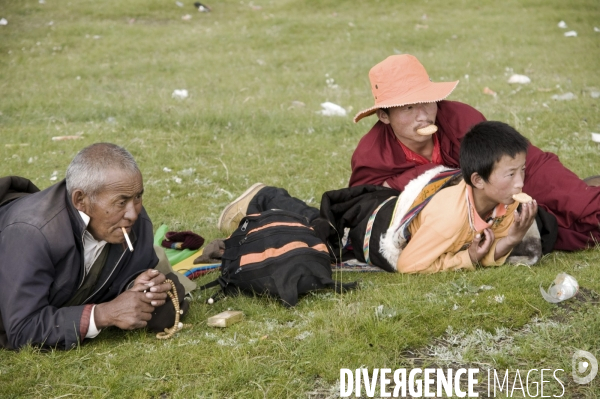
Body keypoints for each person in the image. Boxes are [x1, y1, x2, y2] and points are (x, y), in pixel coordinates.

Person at [349, 54, 600, 251]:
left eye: (427, 101)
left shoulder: (459, 117)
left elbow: (507, 156)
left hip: (502, 173)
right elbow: (366, 208)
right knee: (552, 225)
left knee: (576, 201)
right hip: (469, 210)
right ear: (384, 116)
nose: (423, 116)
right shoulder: (371, 154)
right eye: (408, 108)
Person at [218, 121, 538, 273]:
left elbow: (491, 240)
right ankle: (266, 199)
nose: (520, 182)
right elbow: (409, 265)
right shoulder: (449, 218)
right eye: (511, 174)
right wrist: (465, 259)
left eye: (522, 171)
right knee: (321, 239)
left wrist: (511, 239)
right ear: (478, 180)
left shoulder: (506, 202)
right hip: (377, 227)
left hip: (401, 205)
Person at [0, 143, 185, 350]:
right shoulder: (32, 233)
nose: (133, 213)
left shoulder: (134, 223)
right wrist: (103, 314)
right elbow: (22, 329)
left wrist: (140, 287)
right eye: (121, 202)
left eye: (138, 197)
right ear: (80, 200)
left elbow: (141, 273)